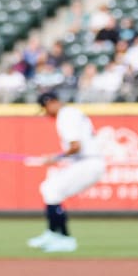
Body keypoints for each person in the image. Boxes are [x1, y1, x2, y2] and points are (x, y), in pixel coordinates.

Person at [27, 92, 105, 253]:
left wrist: (55, 158)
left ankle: (64, 238)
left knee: (51, 189)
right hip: (87, 161)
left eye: (45, 108)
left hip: (88, 162)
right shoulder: (72, 112)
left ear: (52, 102)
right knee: (49, 189)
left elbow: (76, 146)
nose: (46, 113)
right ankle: (53, 234)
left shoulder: (65, 115)